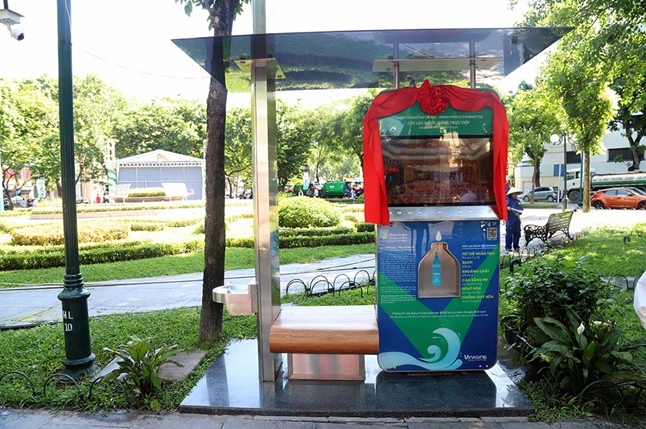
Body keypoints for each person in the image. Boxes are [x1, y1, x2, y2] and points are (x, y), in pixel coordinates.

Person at [505, 187, 524, 252]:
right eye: (514, 194)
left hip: (517, 220)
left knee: (517, 233)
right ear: (511, 194)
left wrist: (519, 213)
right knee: (509, 233)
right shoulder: (508, 201)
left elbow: (521, 209)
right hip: (510, 220)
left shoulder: (518, 201)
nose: (516, 195)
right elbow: (504, 209)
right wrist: (507, 208)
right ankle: (508, 247)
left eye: (516, 193)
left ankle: (516, 246)